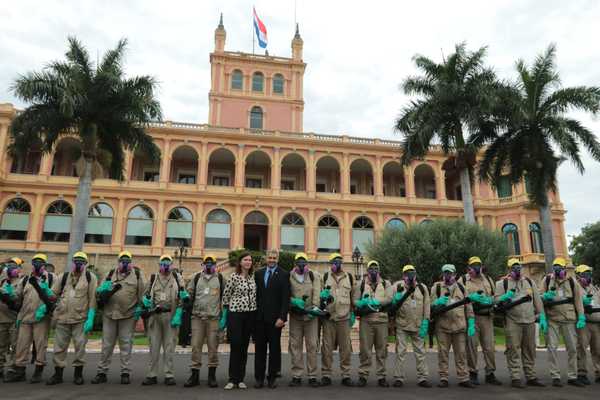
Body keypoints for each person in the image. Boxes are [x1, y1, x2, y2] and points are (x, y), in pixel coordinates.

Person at [92, 251, 145, 385]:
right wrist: (104, 289)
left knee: (126, 344)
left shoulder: (137, 275)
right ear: (118, 262)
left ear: (131, 262)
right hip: (109, 314)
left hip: (127, 315)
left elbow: (141, 295)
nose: (125, 264)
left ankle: (125, 372)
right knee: (107, 345)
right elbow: (99, 292)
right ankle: (102, 372)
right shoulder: (110, 274)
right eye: (123, 261)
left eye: (128, 261)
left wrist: (139, 309)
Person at [47, 251, 98, 385]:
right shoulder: (63, 277)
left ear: (86, 264)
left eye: (81, 262)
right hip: (62, 318)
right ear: (72, 262)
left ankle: (78, 375)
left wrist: (91, 317)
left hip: (80, 319)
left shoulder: (90, 277)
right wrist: (45, 292)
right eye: (76, 261)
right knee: (59, 347)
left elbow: (93, 298)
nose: (78, 264)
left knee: (80, 347)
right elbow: (53, 294)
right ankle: (58, 374)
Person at [495, 258, 546, 388]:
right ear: (509, 270)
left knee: (529, 350)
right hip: (513, 321)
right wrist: (505, 296)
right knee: (513, 349)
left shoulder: (529, 281)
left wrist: (542, 316)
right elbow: (496, 301)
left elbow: (538, 301)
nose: (517, 270)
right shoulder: (502, 284)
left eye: (518, 267)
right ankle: (515, 377)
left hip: (529, 320)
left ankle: (531, 376)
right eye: (513, 268)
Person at [8, 253, 56, 383]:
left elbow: (55, 297)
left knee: (40, 345)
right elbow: (17, 296)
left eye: (40, 262)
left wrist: (46, 306)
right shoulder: (25, 279)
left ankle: (38, 371)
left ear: (45, 265)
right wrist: (8, 292)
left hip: (41, 318)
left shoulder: (51, 278)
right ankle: (20, 371)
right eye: (35, 262)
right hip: (25, 318)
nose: (37, 265)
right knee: (21, 345)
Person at [141, 254, 187, 386]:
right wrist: (145, 300)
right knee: (154, 347)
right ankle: (152, 375)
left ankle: (169, 375)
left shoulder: (177, 278)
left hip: (170, 316)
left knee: (169, 347)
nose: (165, 266)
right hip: (155, 316)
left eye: (168, 263)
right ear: (159, 264)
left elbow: (183, 297)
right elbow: (144, 295)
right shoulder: (153, 278)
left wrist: (178, 313)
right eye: (163, 263)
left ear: (172, 265)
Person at [541, 257, 585, 387]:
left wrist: (581, 316)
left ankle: (572, 376)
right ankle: (555, 376)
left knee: (572, 348)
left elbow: (578, 300)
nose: (557, 269)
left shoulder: (572, 282)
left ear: (564, 268)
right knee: (552, 347)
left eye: (559, 267)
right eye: (555, 267)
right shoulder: (547, 280)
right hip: (553, 319)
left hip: (569, 319)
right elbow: (539, 298)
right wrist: (545, 298)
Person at [430, 264, 476, 388]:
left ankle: (463, 378)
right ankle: (444, 378)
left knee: (461, 354)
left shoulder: (462, 287)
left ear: (455, 274)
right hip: (443, 327)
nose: (448, 275)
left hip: (459, 327)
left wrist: (471, 322)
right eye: (445, 273)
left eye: (450, 273)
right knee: (443, 354)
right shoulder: (437, 288)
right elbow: (430, 305)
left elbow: (469, 306)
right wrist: (437, 302)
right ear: (442, 274)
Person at [184, 254, 224, 388]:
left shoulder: (220, 278)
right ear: (203, 264)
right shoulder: (196, 278)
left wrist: (225, 316)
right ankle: (194, 375)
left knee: (213, 348)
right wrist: (185, 297)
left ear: (215, 265)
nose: (209, 265)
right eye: (206, 263)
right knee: (195, 346)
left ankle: (211, 376)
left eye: (211, 263)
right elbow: (189, 294)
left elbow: (226, 296)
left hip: (214, 319)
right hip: (197, 318)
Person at [391, 265, 432, 388]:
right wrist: (395, 299)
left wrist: (426, 322)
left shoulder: (422, 288)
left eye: (412, 273)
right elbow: (391, 306)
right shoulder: (397, 287)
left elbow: (427, 306)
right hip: (402, 325)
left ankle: (423, 377)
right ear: (403, 275)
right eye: (407, 273)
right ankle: (399, 378)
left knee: (420, 352)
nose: (410, 276)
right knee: (400, 352)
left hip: (418, 325)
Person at [254, 249, 290, 389]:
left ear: (278, 259)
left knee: (274, 350)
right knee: (260, 350)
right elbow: (255, 296)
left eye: (274, 258)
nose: (272, 260)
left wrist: (282, 317)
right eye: (270, 257)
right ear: (266, 258)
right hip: (260, 319)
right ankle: (259, 378)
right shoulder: (258, 273)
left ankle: (272, 378)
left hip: (276, 320)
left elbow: (285, 298)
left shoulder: (283, 274)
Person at [462, 256, 501, 385]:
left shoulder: (488, 280)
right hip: (472, 318)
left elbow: (495, 297)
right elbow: (458, 297)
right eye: (474, 265)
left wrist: (490, 300)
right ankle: (472, 372)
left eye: (478, 264)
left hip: (487, 317)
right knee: (472, 346)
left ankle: (490, 373)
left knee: (489, 347)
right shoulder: (463, 280)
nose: (477, 267)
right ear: (469, 267)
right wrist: (471, 298)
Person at [221, 252, 257, 390]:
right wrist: (225, 313)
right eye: (245, 260)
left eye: (250, 260)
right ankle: (232, 379)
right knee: (235, 346)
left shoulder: (253, 278)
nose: (248, 262)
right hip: (236, 315)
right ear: (240, 262)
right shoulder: (233, 277)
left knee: (244, 347)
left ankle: (240, 379)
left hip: (250, 315)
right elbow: (226, 296)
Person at [354, 260, 393, 387]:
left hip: (381, 320)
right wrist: (362, 303)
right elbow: (355, 300)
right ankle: (363, 375)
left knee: (382, 350)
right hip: (366, 321)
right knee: (365, 349)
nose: (373, 271)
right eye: (371, 268)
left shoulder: (386, 283)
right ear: (367, 271)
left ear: (379, 270)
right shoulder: (361, 284)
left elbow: (389, 298)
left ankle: (381, 376)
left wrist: (375, 302)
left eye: (375, 268)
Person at [320, 253, 355, 387]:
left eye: (339, 260)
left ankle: (346, 375)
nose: (338, 263)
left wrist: (352, 314)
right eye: (335, 261)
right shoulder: (324, 277)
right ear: (330, 263)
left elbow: (353, 298)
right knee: (327, 349)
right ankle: (326, 375)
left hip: (344, 319)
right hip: (329, 318)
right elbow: (320, 297)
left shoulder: (349, 278)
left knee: (345, 349)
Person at [288, 252, 321, 388]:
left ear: (307, 262)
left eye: (303, 261)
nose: (301, 263)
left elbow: (317, 293)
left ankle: (312, 376)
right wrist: (293, 302)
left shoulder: (314, 276)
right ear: (295, 263)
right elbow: (286, 294)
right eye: (299, 261)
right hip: (296, 316)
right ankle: (297, 375)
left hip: (311, 317)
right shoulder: (289, 276)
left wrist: (314, 309)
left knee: (312, 346)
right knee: (295, 346)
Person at [574, 264, 600, 384]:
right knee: (582, 349)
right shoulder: (575, 288)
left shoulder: (595, 288)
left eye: (589, 274)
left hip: (596, 323)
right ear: (578, 276)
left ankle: (598, 372)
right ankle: (582, 373)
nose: (587, 277)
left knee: (598, 349)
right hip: (583, 323)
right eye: (584, 274)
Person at [0, 257, 24, 382]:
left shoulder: (22, 282)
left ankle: (11, 369)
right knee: (1, 345)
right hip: (1, 319)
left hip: (14, 319)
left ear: (19, 269)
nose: (11, 268)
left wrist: (9, 297)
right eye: (9, 266)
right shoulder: (2, 281)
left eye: (15, 266)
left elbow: (18, 300)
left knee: (15, 346)